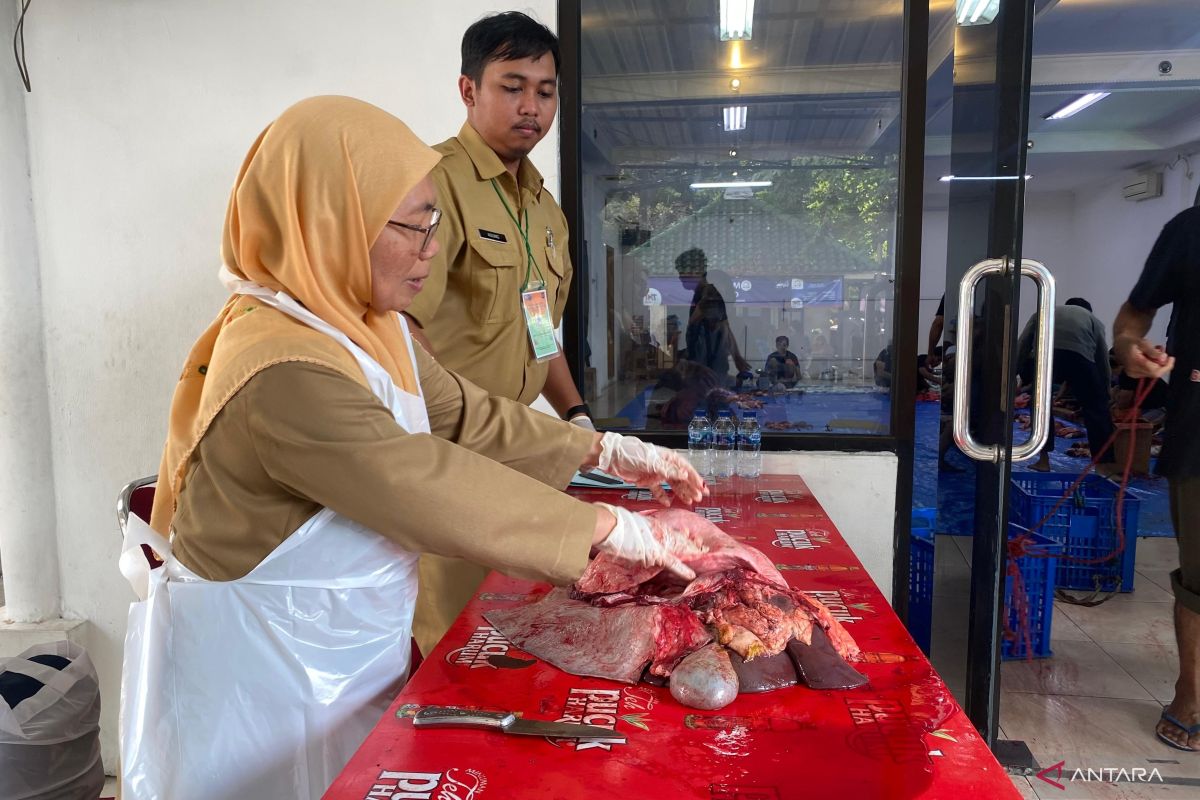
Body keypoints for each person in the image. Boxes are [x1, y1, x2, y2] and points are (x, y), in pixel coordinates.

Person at [119, 97, 708, 799]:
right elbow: (421, 482)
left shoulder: (365, 322)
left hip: (340, 654)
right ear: (329, 223)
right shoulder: (279, 366)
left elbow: (464, 413)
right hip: (262, 678)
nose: (433, 247)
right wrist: (613, 529)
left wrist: (603, 450)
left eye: (436, 222)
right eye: (413, 225)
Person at [398, 13, 595, 651]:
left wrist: (578, 416)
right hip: (449, 457)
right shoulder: (432, 184)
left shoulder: (542, 207)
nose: (531, 106)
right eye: (512, 86)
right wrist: (461, 419)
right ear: (468, 90)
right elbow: (398, 322)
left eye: (545, 90)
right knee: (453, 642)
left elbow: (539, 325)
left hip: (522, 451)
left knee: (523, 635)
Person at [1113, 204, 1200, 752]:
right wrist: (1129, 349)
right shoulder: (1191, 232)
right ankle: (1191, 694)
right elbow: (1133, 317)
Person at [1016, 297, 1116, 474]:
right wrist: (1105, 391)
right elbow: (1102, 359)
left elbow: (1023, 344)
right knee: (1096, 410)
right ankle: (1103, 467)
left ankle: (1043, 461)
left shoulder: (1043, 312)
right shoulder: (1092, 320)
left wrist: (1013, 374)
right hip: (1080, 357)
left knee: (1041, 406)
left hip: (1045, 355)